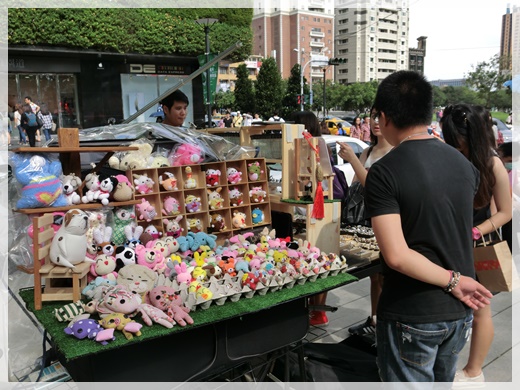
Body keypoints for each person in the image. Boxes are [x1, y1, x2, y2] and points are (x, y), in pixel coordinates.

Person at [364, 70, 492, 382]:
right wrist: (456, 282)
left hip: (414, 310)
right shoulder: (463, 164)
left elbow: (396, 255)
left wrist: (453, 281)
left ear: (384, 116)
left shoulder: (384, 172)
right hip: (457, 313)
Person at [441, 104, 512, 386]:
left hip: (475, 244)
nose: (454, 148)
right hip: (449, 241)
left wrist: (475, 231)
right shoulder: (450, 157)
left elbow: (505, 212)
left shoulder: (492, 163)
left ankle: (474, 371)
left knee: (481, 309)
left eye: (458, 142)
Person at [289, 110, 349, 326]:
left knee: (319, 257)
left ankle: (318, 311)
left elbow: (322, 178)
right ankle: (314, 310)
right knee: (315, 258)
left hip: (321, 208)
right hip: (314, 208)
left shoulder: (314, 146)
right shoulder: (308, 145)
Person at [337, 107, 393, 336]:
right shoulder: (369, 149)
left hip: (379, 215)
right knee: (373, 275)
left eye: (382, 116)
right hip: (360, 216)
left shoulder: (395, 151)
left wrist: (352, 160)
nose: (376, 121)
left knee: (383, 274)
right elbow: (357, 184)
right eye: (373, 116)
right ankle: (374, 319)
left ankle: (383, 325)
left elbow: (374, 186)